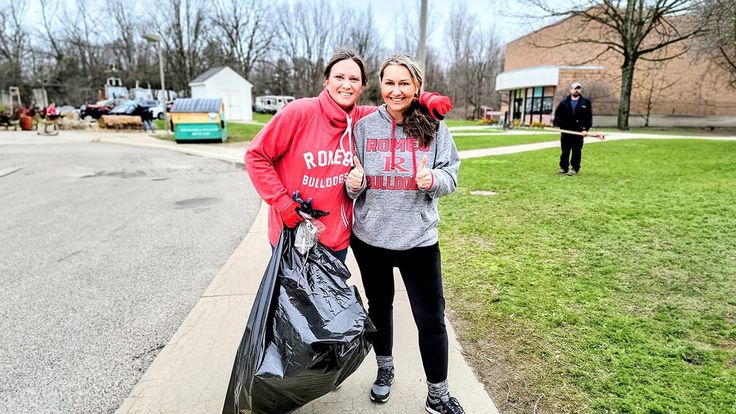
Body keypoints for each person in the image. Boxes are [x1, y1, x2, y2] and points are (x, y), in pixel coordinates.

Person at [245, 49, 451, 263]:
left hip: (335, 238)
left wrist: (425, 99)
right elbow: (256, 156)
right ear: (326, 80)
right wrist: (282, 203)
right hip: (293, 232)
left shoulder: (363, 119)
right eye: (339, 77)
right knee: (292, 297)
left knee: (332, 297)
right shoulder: (299, 112)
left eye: (354, 79)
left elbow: (396, 103)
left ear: (362, 86)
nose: (346, 85)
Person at [346, 55, 464, 414]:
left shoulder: (435, 126)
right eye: (389, 83)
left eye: (404, 84)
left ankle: (438, 394)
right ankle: (385, 371)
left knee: (430, 318)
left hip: (418, 241)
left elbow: (452, 175)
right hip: (371, 240)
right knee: (380, 309)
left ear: (417, 87)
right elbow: (352, 183)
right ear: (380, 86)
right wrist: (354, 185)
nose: (395, 91)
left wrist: (434, 180)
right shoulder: (363, 128)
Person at [553, 82, 593, 176]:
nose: (576, 90)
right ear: (570, 90)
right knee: (565, 150)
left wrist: (585, 129)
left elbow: (588, 117)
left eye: (578, 88)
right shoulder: (564, 102)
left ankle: (574, 168)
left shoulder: (585, 102)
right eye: (575, 88)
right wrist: (560, 126)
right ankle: (564, 167)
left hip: (578, 131)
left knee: (576, 150)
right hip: (566, 130)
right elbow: (558, 115)